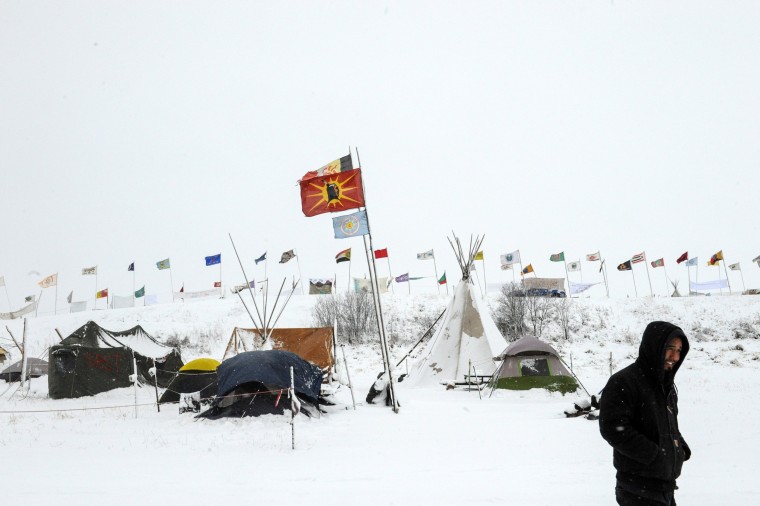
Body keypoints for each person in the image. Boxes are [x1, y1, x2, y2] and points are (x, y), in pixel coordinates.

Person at [599, 321, 691, 505]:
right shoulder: (624, 381)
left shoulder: (666, 386)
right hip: (637, 490)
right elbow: (613, 428)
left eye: (679, 351)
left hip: (664, 487)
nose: (674, 356)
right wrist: (654, 455)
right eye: (670, 348)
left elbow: (667, 425)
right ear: (655, 346)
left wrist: (680, 448)